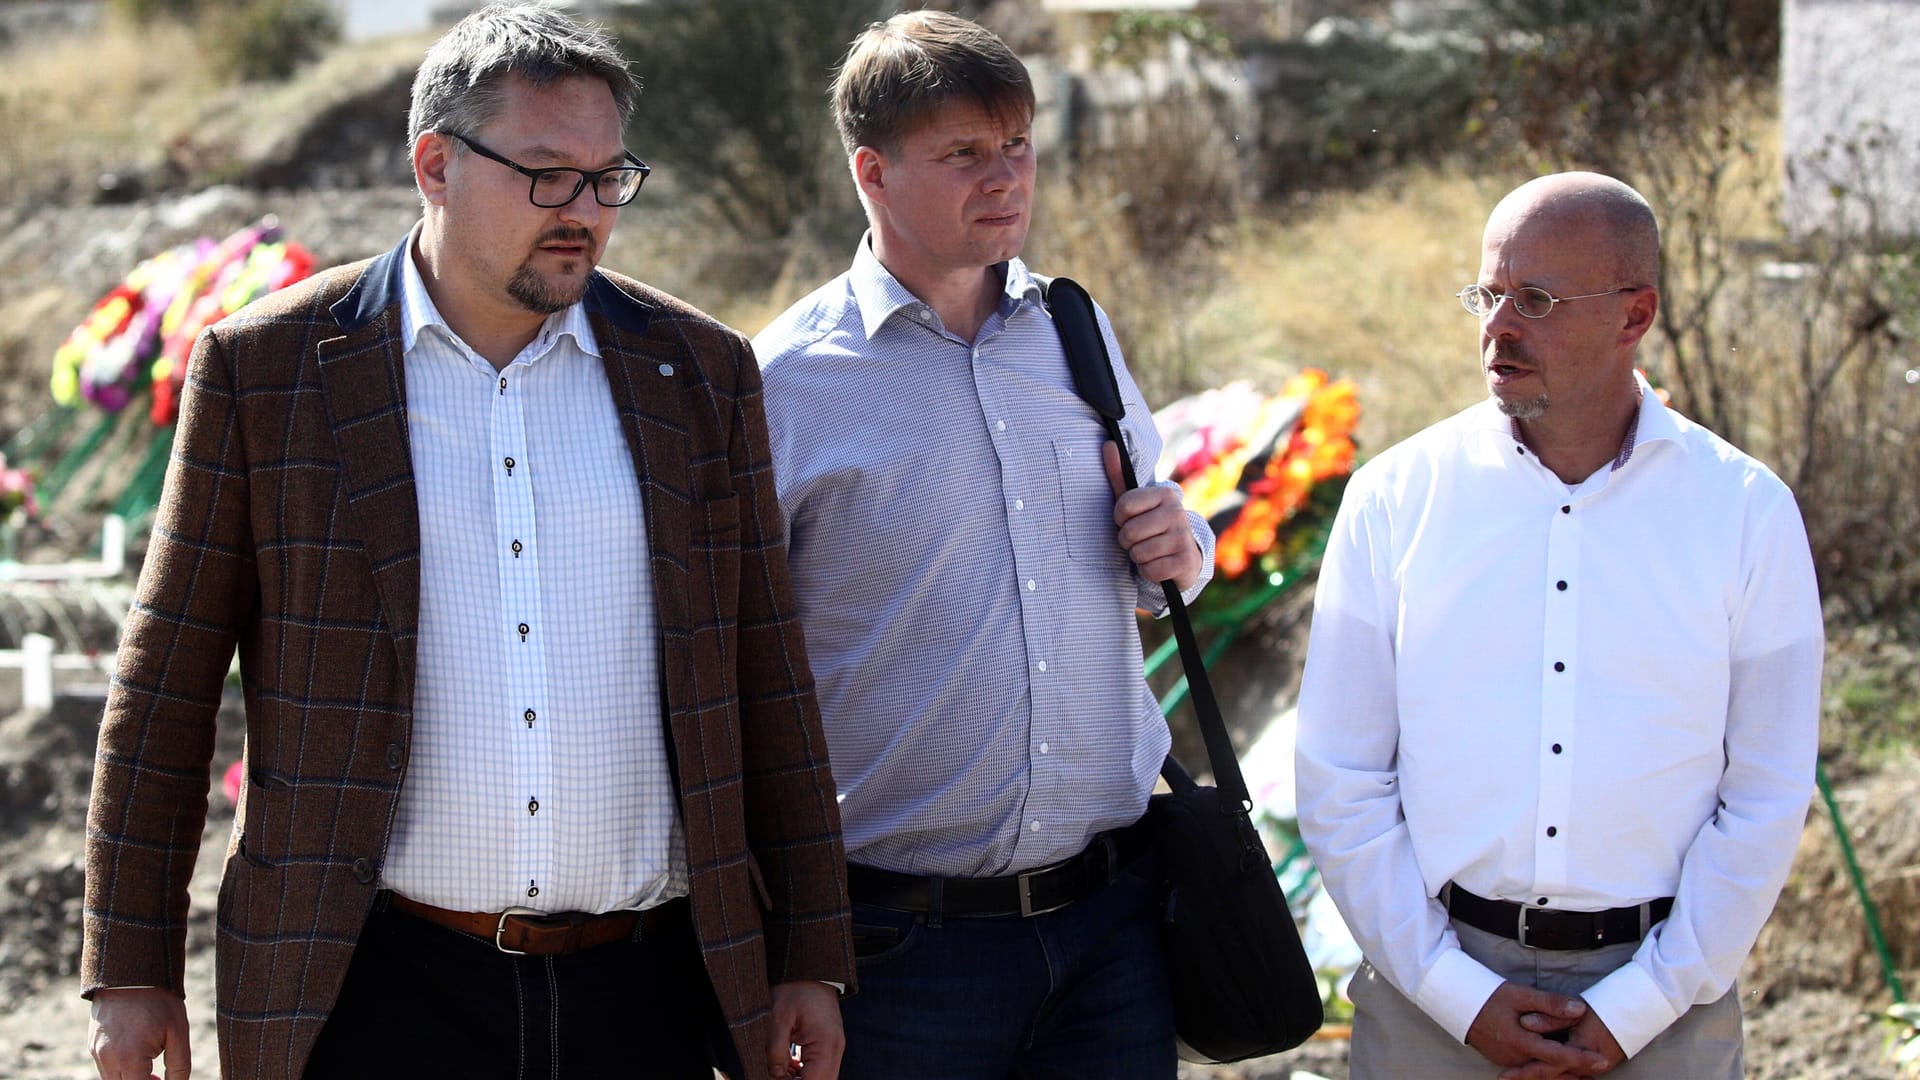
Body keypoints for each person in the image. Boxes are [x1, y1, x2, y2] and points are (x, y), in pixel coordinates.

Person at [81, 5, 854, 1078]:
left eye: (606, 178)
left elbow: (769, 676)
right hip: (373, 990)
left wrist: (812, 951)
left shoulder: (699, 372)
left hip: (645, 991)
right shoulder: (269, 373)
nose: (583, 210)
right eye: (546, 175)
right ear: (435, 164)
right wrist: (132, 972)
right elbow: (163, 689)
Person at [751, 11, 1214, 1079]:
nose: (1005, 178)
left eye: (1017, 147)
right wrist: (789, 949)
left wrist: (1178, 546)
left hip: (1113, 928)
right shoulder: (784, 385)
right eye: (964, 154)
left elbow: (1160, 556)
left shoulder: (1078, 334)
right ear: (871, 171)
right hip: (899, 952)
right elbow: (738, 680)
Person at [1294, 171, 1824, 1079]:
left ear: (1635, 314)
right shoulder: (1395, 499)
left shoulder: (1745, 511)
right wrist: (1454, 991)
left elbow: (1768, 794)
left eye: (1536, 300)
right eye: (1488, 295)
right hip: (1433, 1005)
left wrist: (1643, 1002)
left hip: (1669, 1011)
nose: (1499, 327)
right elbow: (1340, 777)